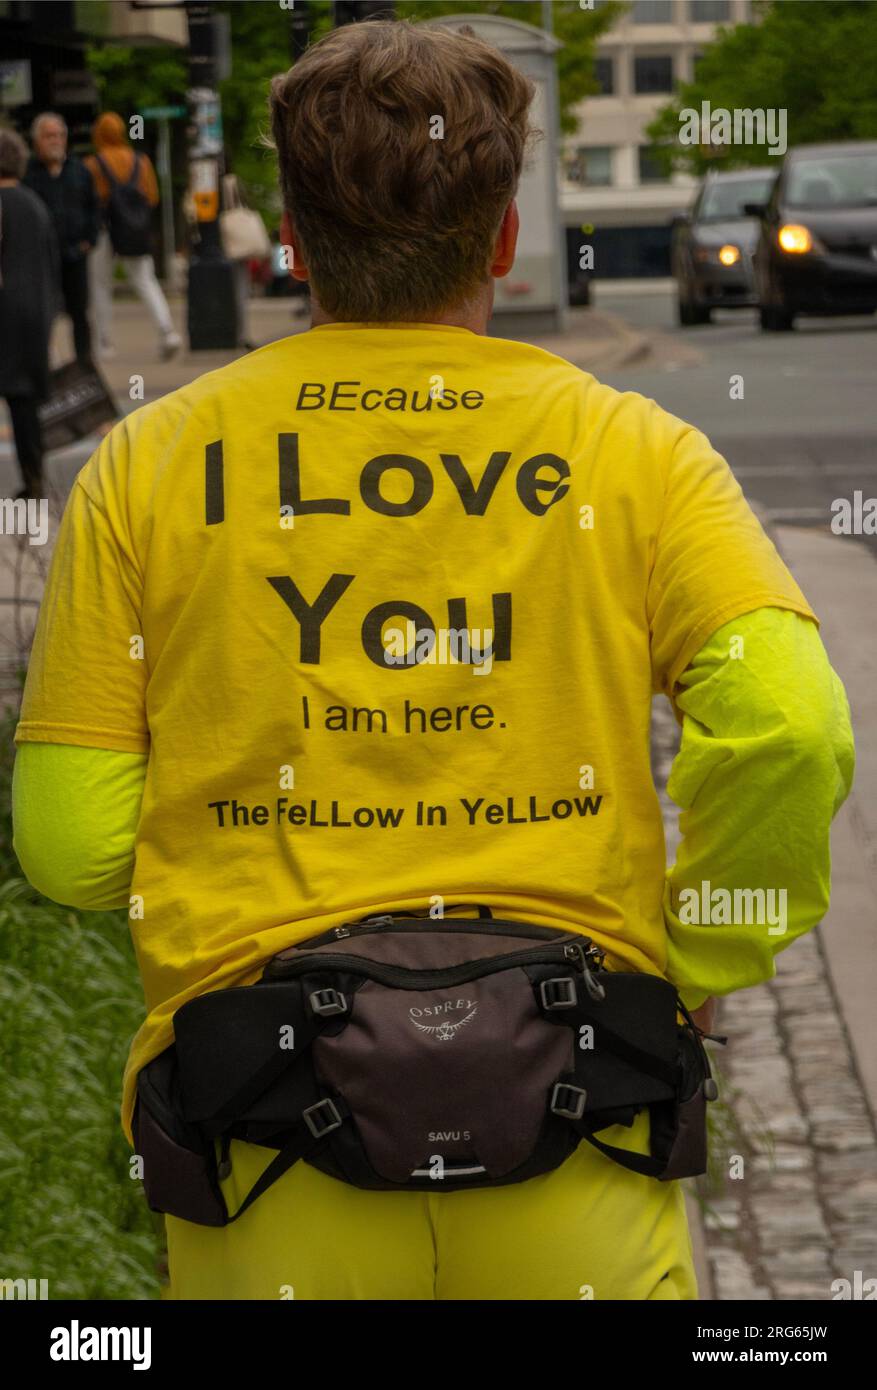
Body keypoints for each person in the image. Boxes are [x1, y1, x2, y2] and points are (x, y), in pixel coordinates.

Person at [12, 20, 854, 1301]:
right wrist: (698, 954)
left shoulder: (153, 463)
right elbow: (792, 724)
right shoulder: (637, 453)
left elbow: (67, 844)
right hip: (577, 1103)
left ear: (290, 236)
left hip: (264, 1118)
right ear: (505, 239)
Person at [84, 112, 182, 362]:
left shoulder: (93, 164)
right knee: (145, 280)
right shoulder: (141, 161)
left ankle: (105, 342)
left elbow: (87, 200)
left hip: (104, 230)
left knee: (101, 285)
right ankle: (167, 331)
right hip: (134, 230)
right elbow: (152, 197)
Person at [0, 127, 59, 499]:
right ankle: (33, 475)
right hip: (35, 310)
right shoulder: (35, 204)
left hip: (5, 308)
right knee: (24, 400)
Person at [23, 112, 97, 365]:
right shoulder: (28, 174)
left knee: (80, 313)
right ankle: (47, 366)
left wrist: (90, 240)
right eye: (48, 136)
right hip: (42, 259)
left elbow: (94, 207)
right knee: (44, 313)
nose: (55, 141)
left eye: (59, 135)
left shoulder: (79, 170)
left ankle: (85, 363)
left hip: (75, 253)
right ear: (36, 141)